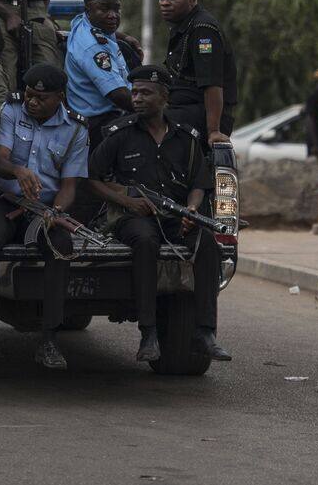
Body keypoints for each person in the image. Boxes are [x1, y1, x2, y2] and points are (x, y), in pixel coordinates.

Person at [88, 65, 231, 363]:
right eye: (134, 92)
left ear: (164, 97)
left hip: (174, 215)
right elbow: (92, 179)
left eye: (145, 93)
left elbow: (198, 183)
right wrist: (126, 202)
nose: (137, 99)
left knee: (207, 242)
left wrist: (192, 209)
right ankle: (149, 332)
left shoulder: (185, 137)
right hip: (133, 217)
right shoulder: (120, 133)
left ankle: (205, 332)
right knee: (145, 242)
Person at [0, 64, 88, 369]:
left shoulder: (76, 129)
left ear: (60, 97)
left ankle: (49, 339)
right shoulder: (12, 110)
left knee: (61, 245)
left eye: (41, 98)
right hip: (3, 199)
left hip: (44, 209)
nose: (32, 102)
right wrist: (18, 171)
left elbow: (69, 186)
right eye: (29, 95)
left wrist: (56, 213)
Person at [156, 0, 238, 146]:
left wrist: (213, 130)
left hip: (200, 114)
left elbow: (212, 83)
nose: (165, 3)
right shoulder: (184, 26)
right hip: (183, 110)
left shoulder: (202, 30)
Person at [65, 0, 134, 147]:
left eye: (116, 9)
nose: (113, 15)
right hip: (100, 124)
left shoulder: (85, 23)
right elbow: (119, 95)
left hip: (101, 117)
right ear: (88, 10)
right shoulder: (93, 47)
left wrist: (125, 37)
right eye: (105, 9)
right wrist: (156, 112)